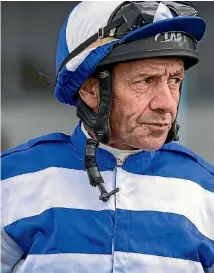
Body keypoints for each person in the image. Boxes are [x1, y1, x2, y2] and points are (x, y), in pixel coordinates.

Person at [1, 1, 214, 273]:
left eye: (174, 80)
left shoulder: (207, 190)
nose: (167, 103)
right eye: (146, 80)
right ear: (90, 90)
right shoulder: (9, 181)